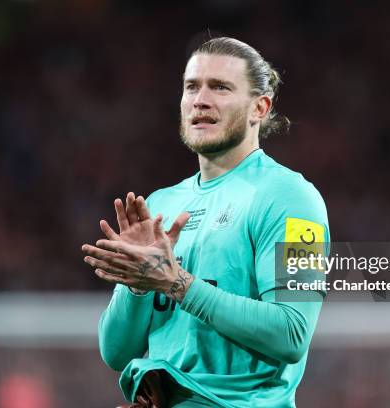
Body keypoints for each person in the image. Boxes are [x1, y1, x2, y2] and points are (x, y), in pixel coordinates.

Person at [82, 37, 329, 407]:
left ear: (259, 108)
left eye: (220, 87)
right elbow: (115, 352)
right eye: (191, 87)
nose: (200, 99)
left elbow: (292, 334)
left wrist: (177, 284)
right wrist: (137, 287)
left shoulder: (293, 200)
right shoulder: (160, 205)